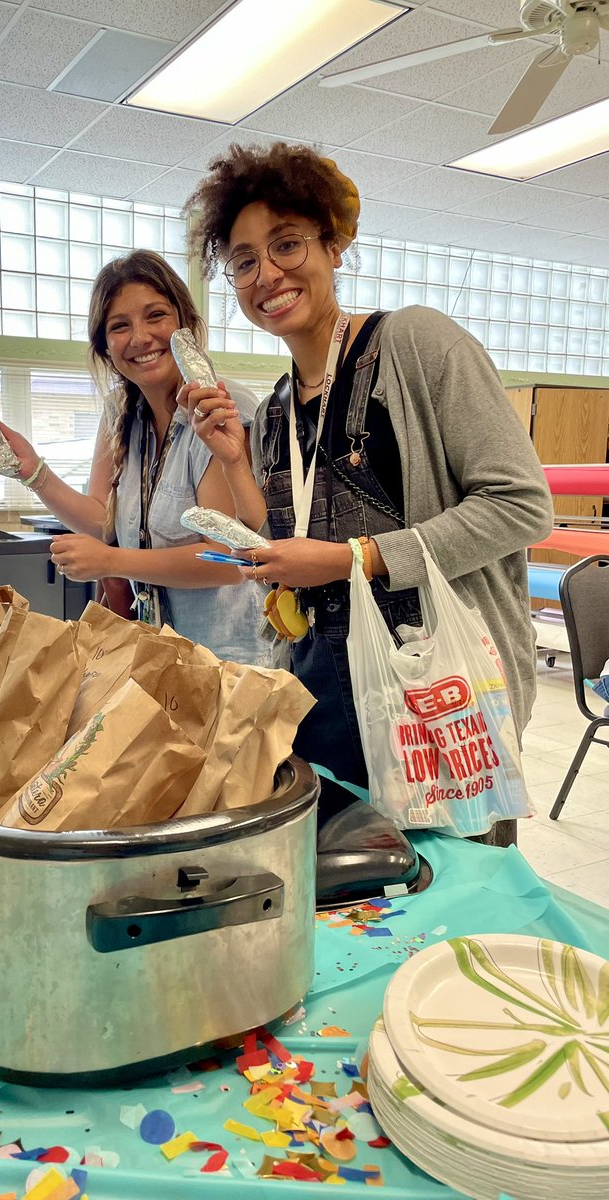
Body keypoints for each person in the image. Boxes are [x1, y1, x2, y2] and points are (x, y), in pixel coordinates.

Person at [181, 142, 554, 844]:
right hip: (331, 705)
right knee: (363, 922)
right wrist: (234, 463)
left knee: (457, 905)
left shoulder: (414, 345)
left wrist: (357, 558)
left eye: (287, 244)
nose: (268, 274)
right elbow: (283, 544)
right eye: (244, 261)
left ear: (333, 246)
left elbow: (520, 504)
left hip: (439, 698)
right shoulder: (277, 409)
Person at [0, 249, 270, 664]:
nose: (140, 337)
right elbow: (101, 521)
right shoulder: (121, 413)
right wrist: (31, 471)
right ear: (106, 347)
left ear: (186, 325)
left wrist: (110, 561)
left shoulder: (222, 405)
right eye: (120, 326)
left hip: (228, 663)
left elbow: (225, 559)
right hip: (157, 656)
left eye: (156, 316)